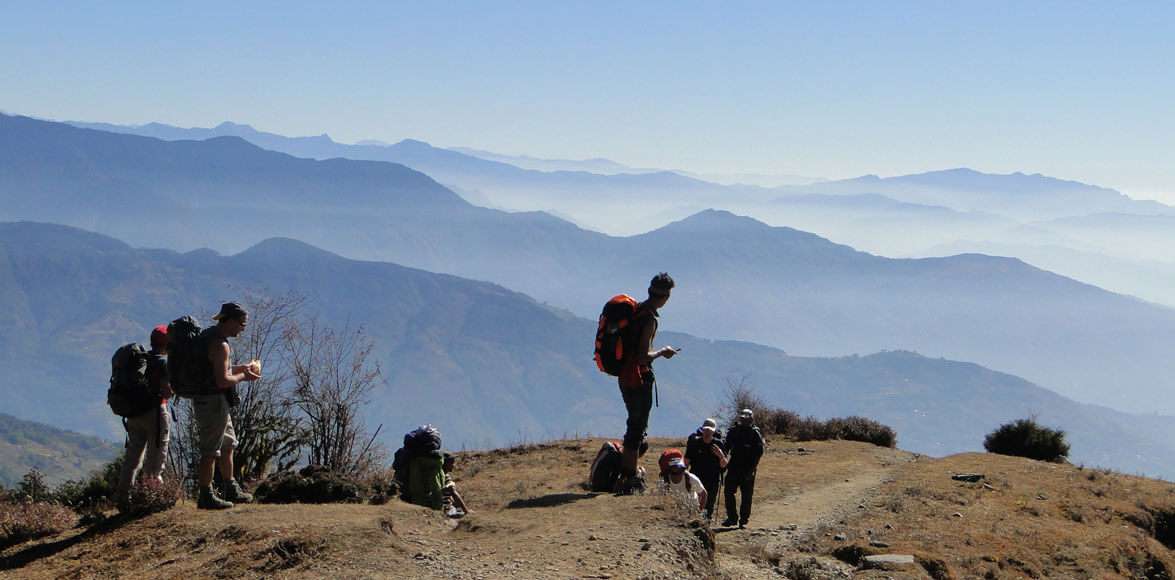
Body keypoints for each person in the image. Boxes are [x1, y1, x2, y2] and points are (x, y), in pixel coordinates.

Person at [194, 302, 261, 510]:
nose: (243, 328)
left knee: (228, 444)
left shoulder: (208, 337)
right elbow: (222, 380)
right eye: (241, 323)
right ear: (230, 320)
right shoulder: (221, 344)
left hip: (213, 400)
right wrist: (244, 375)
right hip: (212, 401)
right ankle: (205, 495)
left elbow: (212, 368)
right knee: (211, 450)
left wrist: (239, 368)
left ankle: (230, 487)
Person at [617, 272, 679, 492]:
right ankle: (628, 477)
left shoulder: (636, 310)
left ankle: (626, 469)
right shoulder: (649, 318)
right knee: (636, 426)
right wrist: (663, 352)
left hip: (624, 376)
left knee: (634, 425)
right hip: (638, 377)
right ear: (665, 297)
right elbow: (643, 356)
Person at [114, 325, 173, 509]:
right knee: (155, 458)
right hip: (155, 414)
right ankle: (150, 497)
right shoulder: (162, 363)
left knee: (132, 458)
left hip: (133, 415)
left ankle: (123, 498)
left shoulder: (140, 360)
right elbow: (167, 391)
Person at [723, 408, 765, 528]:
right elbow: (726, 447)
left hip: (748, 468)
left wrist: (752, 468)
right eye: (743, 419)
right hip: (733, 467)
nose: (744, 421)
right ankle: (732, 518)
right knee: (728, 492)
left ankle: (743, 520)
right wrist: (722, 459)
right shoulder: (733, 431)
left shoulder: (755, 433)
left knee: (746, 495)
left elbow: (759, 452)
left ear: (751, 419)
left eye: (747, 419)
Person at [685, 421, 727, 520]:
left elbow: (724, 464)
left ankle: (704, 525)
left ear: (713, 432)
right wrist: (684, 475)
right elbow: (686, 461)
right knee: (694, 502)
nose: (707, 433)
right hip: (696, 479)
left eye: (710, 431)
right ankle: (693, 524)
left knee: (709, 506)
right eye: (705, 430)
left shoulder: (718, 444)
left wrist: (720, 455)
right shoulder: (695, 443)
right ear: (702, 430)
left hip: (712, 480)